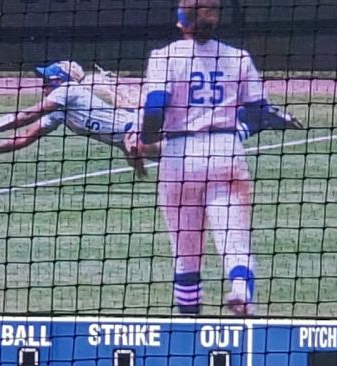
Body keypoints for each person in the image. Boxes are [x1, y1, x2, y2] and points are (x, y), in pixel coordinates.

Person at [129, 0, 303, 316]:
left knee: (186, 251)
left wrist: (145, 141)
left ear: (180, 20)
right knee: (234, 237)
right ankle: (240, 291)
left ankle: (190, 321)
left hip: (179, 156)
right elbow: (258, 112)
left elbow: (155, 109)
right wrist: (237, 132)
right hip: (226, 151)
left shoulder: (164, 56)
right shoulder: (238, 58)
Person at [0, 61, 160, 176]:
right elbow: (24, 139)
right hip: (134, 142)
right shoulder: (61, 112)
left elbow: (29, 115)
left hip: (145, 133)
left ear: (60, 81)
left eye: (46, 80)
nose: (43, 85)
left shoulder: (68, 90)